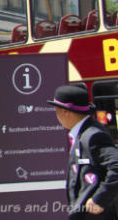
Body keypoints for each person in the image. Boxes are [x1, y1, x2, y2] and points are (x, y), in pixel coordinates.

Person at [48, 84, 118, 219]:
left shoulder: (92, 135)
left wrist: (99, 199)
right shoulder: (83, 134)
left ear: (65, 112)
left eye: (57, 111)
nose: (57, 116)